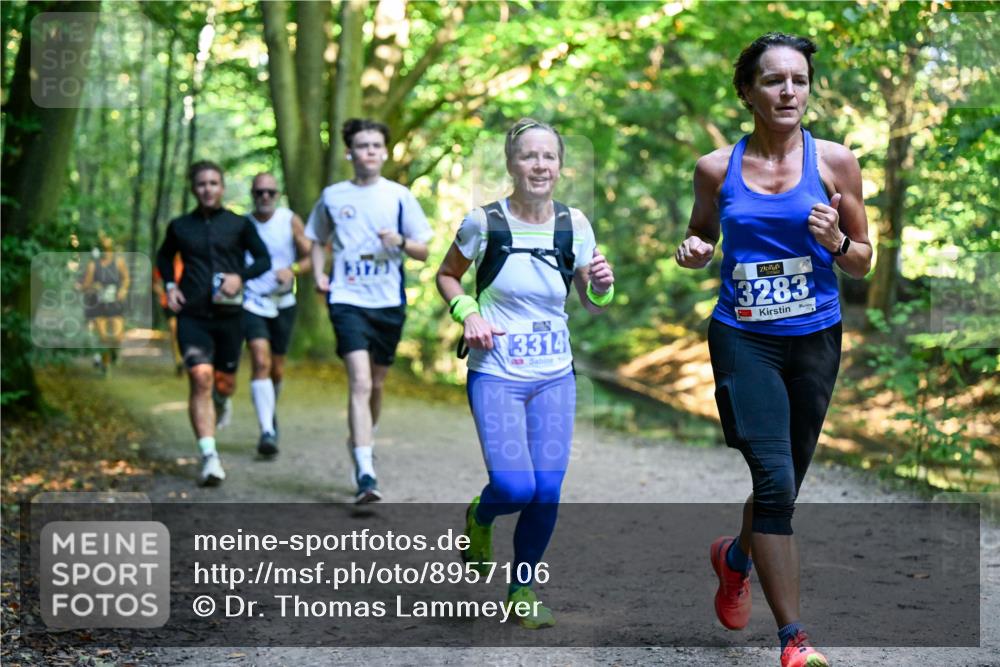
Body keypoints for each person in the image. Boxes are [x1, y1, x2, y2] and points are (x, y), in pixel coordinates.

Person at [674, 33, 872, 667]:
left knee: (784, 485)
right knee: (776, 480)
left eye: (799, 80)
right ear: (748, 92)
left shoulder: (836, 163)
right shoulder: (715, 168)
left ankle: (735, 559)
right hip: (744, 338)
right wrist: (694, 252)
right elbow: (700, 235)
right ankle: (795, 641)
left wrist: (839, 242)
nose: (789, 90)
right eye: (773, 80)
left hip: (815, 338)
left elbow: (865, 261)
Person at [436, 118, 615, 629]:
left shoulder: (574, 225)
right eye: (529, 156)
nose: (539, 165)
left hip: (554, 375)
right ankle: (480, 515)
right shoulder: (484, 222)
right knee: (514, 487)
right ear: (512, 165)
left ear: (560, 166)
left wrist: (601, 284)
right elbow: (446, 275)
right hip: (496, 372)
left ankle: (522, 587)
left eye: (549, 157)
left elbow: (592, 300)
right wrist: (467, 312)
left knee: (548, 490)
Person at [306, 118, 433, 503]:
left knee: (377, 384)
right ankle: (365, 472)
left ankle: (363, 440)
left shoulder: (399, 197)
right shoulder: (333, 196)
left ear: (385, 151)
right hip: (347, 298)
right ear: (350, 152)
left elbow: (424, 249)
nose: (371, 152)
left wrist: (400, 241)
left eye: (377, 145)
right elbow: (316, 238)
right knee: (359, 382)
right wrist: (318, 275)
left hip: (388, 302)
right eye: (363, 146)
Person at [156, 160, 271, 486]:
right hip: (192, 315)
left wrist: (240, 277)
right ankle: (209, 457)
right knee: (200, 379)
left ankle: (223, 401)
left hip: (230, 317)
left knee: (223, 383)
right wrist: (170, 286)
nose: (208, 189)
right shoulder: (180, 226)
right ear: (194, 188)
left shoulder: (239, 225)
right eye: (202, 183)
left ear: (222, 187)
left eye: (213, 183)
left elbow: (263, 259)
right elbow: (164, 257)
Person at [242, 173, 312, 458]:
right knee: (260, 360)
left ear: (278, 194)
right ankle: (267, 429)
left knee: (277, 369)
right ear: (252, 194)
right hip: (252, 301)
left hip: (283, 302)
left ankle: (270, 411)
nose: (265, 197)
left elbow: (312, 257)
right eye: (260, 192)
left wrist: (293, 270)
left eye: (270, 192)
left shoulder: (289, 219)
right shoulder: (242, 224)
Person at [77, 231, 130, 375]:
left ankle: (114, 353)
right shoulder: (93, 265)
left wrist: (123, 290)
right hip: (99, 304)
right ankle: (106, 365)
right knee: (104, 337)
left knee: (118, 337)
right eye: (102, 247)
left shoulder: (118, 262)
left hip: (115, 303)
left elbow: (126, 279)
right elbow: (86, 285)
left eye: (107, 247)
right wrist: (93, 286)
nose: (105, 250)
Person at [153, 253, 185, 376]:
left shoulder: (189, 261)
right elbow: (155, 282)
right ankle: (178, 361)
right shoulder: (165, 264)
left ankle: (185, 356)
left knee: (184, 331)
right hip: (169, 302)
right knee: (173, 328)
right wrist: (162, 294)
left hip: (186, 302)